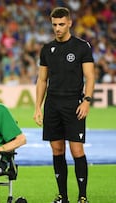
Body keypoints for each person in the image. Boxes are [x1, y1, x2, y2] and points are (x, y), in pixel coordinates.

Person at [33, 7, 95, 203]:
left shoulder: (82, 47)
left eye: (61, 24)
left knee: (77, 151)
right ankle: (63, 196)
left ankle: (82, 196)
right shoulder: (47, 49)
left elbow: (90, 77)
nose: (57, 28)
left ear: (69, 23)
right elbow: (42, 80)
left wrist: (86, 101)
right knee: (57, 150)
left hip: (73, 104)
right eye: (54, 25)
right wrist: (38, 107)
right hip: (52, 105)